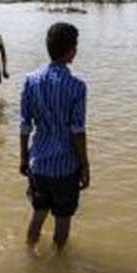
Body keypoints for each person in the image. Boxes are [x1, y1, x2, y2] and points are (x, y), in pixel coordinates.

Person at [19, 22, 90, 253]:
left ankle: (30, 255)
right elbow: (77, 130)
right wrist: (85, 165)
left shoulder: (31, 80)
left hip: (38, 163)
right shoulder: (77, 86)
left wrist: (23, 158)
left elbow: (24, 125)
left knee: (38, 215)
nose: (76, 51)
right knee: (62, 219)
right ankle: (59, 262)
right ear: (70, 50)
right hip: (65, 167)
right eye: (76, 46)